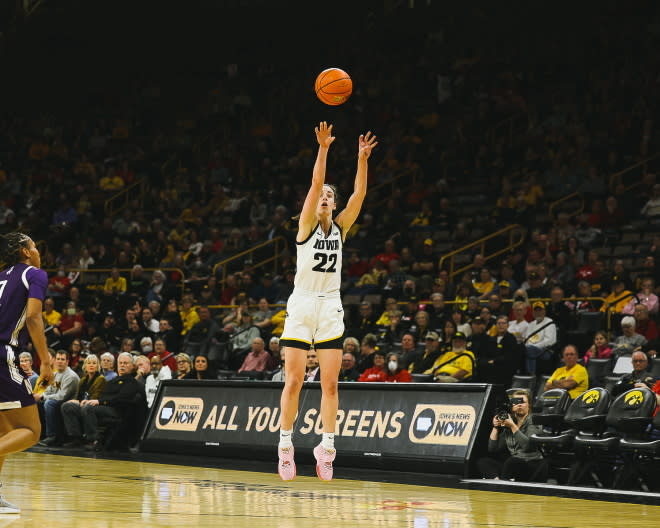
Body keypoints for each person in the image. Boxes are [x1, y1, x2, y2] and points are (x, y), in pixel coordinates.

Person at [277, 122, 377, 482]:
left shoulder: (341, 228)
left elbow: (360, 195)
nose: (325, 199)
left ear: (334, 206)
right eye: (322, 195)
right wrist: (323, 149)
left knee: (330, 384)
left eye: (330, 198)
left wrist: (362, 160)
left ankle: (327, 446)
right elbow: (316, 184)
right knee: (294, 381)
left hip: (330, 305)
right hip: (302, 304)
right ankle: (286, 446)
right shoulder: (305, 225)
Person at [0, 233, 54, 513]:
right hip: (3, 354)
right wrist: (45, 360)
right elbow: (34, 316)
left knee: (4, 430)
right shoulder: (35, 274)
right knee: (30, 431)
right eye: (34, 245)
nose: (37, 250)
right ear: (24, 251)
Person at [476, 390, 547, 482]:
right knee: (483, 462)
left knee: (512, 461)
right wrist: (496, 427)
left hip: (531, 464)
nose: (519, 404)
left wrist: (512, 426)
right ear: (511, 406)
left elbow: (527, 446)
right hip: (513, 465)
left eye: (523, 402)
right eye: (516, 402)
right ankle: (498, 482)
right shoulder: (510, 421)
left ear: (529, 405)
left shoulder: (533, 420)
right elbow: (493, 449)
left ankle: (503, 484)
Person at [34, 349, 79, 446]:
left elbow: (62, 396)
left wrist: (43, 396)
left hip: (68, 403)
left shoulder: (71, 376)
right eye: (58, 359)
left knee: (49, 403)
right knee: (37, 402)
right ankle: (41, 434)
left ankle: (52, 436)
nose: (59, 361)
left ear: (67, 361)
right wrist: (41, 396)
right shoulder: (54, 374)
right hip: (56, 401)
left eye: (62, 359)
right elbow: (48, 391)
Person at [60, 354, 107, 447]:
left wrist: (81, 401)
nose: (91, 365)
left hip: (95, 404)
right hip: (83, 403)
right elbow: (78, 396)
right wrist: (75, 401)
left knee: (86, 407)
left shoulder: (101, 379)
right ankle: (75, 437)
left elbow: (97, 396)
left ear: (98, 366)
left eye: (94, 363)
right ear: (85, 366)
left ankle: (92, 438)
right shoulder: (83, 379)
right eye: (89, 363)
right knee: (66, 406)